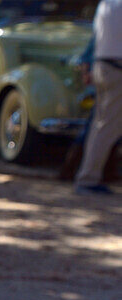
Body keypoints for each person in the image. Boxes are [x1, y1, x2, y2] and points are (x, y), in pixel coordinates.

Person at [74, 0, 122, 194]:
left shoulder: (106, 4)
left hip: (101, 67)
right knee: (107, 127)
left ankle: (88, 175)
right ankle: (87, 179)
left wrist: (86, 64)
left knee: (100, 125)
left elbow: (95, 39)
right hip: (117, 68)